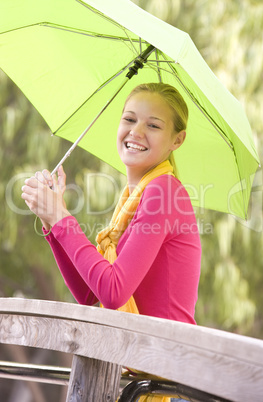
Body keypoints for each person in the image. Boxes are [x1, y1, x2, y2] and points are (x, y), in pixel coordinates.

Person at [22, 83, 201, 401]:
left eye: (154, 125)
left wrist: (63, 218)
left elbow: (114, 292)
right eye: (129, 119)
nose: (137, 131)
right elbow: (92, 296)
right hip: (144, 368)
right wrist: (52, 222)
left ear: (178, 139)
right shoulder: (132, 201)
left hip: (161, 379)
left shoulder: (164, 192)